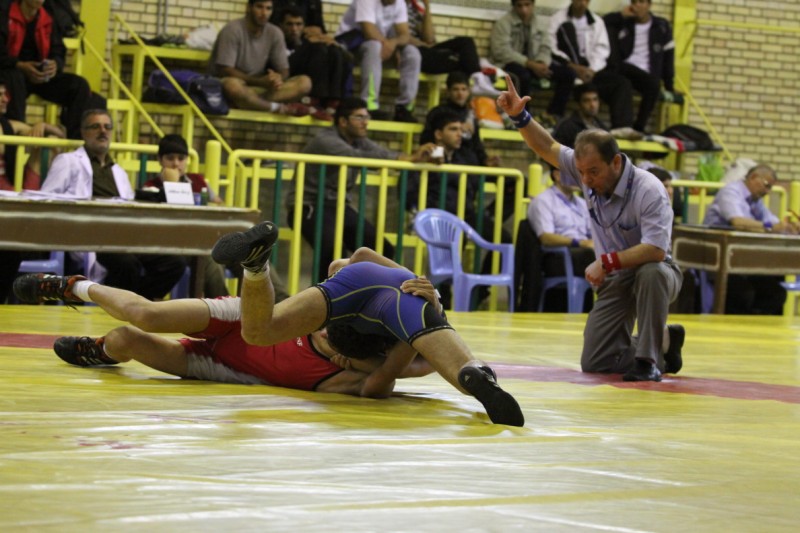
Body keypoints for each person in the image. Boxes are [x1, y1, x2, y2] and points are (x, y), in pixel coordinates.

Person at [209, 221, 525, 425]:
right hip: (408, 298)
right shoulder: (405, 355)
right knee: (461, 369)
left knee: (259, 331)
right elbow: (380, 383)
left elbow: (355, 257)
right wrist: (433, 305)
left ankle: (256, 265)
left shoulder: (403, 358)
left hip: (369, 282)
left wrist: (426, 294)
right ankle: (479, 376)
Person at [497, 75, 684, 382]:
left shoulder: (649, 189)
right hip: (618, 274)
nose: (585, 180)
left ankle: (648, 360)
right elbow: (548, 147)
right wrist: (520, 117)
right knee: (597, 361)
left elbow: (655, 249)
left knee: (652, 272)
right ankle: (664, 342)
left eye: (593, 172)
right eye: (581, 172)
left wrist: (606, 261)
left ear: (616, 162)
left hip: (657, 270)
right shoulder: (588, 170)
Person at [11, 268, 439, 397]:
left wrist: (426, 320)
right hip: (244, 319)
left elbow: (394, 377)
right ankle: (73, 286)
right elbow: (352, 262)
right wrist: (427, 295)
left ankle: (103, 351)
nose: (325, 334)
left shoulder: (354, 377)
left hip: (221, 364)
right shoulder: (341, 313)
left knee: (125, 339)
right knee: (147, 313)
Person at [40, 109, 187, 300]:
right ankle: (124, 305)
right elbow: (47, 200)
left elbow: (130, 206)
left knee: (174, 263)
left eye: (107, 127)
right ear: (83, 132)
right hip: (89, 235)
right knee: (126, 264)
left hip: (124, 235)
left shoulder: (119, 171)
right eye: (95, 126)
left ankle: (138, 303)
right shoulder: (67, 161)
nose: (103, 131)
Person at [285, 96, 436, 283]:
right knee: (333, 251)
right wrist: (410, 158)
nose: (365, 122)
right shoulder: (326, 139)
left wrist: (414, 157)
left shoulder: (358, 139)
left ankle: (373, 294)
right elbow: (356, 156)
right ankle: (324, 297)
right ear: (343, 121)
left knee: (382, 249)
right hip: (308, 206)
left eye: (367, 117)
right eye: (359, 117)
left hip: (338, 206)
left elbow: (383, 153)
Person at [702, 164, 799, 315]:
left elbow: (772, 221)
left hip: (740, 260)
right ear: (753, 177)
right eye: (767, 185)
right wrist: (771, 227)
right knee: (744, 293)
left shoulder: (755, 201)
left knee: (777, 293)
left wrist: (788, 228)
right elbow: (738, 222)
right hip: (716, 258)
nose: (767, 192)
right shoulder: (731, 192)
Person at [0, 0, 101, 139]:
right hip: (12, 73)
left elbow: (58, 51)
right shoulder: (5, 14)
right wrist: (20, 65)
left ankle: (76, 144)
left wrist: (55, 64)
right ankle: (15, 142)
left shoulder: (48, 17)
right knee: (14, 77)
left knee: (79, 85)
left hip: (41, 76)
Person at [209, 0, 312, 115]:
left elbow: (284, 70)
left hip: (256, 90)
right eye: (259, 7)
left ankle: (248, 102)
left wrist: (277, 78)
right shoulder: (232, 29)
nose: (264, 13)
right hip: (234, 85)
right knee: (232, 86)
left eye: (268, 8)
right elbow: (225, 70)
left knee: (304, 83)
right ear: (249, 8)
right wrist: (259, 81)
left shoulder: (275, 32)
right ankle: (276, 108)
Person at [548, 0, 636, 133]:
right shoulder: (557, 19)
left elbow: (602, 49)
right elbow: (551, 48)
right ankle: (553, 120)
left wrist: (591, 70)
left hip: (591, 71)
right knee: (566, 77)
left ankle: (621, 128)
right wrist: (574, 67)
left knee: (622, 83)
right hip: (567, 68)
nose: (582, 3)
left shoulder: (597, 21)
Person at [489, 0, 575, 127]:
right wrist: (529, 64)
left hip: (535, 64)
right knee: (522, 76)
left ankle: (552, 114)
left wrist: (541, 62)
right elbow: (501, 52)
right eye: (520, 6)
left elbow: (546, 47)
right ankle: (523, 117)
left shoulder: (540, 23)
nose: (524, 10)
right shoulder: (503, 23)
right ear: (514, 6)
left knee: (568, 74)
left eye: (527, 5)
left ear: (533, 5)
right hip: (509, 63)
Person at [334, 0, 420, 122]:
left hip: (381, 46)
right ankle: (370, 104)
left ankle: (404, 108)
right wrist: (390, 46)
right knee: (374, 46)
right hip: (351, 46)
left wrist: (394, 43)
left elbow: (405, 35)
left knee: (412, 53)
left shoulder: (399, 3)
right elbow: (369, 32)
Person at [527, 165, 594, 311]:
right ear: (557, 175)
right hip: (559, 256)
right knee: (597, 257)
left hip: (584, 253)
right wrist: (580, 243)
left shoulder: (583, 204)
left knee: (616, 253)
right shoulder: (543, 201)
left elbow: (594, 233)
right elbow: (546, 237)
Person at [603, 0, 675, 133]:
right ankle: (622, 126)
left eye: (641, 2)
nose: (637, 6)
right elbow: (602, 22)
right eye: (634, 2)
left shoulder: (661, 26)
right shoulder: (624, 23)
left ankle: (639, 127)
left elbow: (668, 57)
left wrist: (669, 85)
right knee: (623, 83)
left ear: (649, 5)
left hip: (647, 74)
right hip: (625, 68)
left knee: (654, 85)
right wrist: (621, 15)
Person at [278, 5, 350, 119]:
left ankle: (333, 102)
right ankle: (314, 100)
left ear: (304, 27)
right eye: (289, 24)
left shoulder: (305, 43)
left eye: (298, 24)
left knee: (334, 50)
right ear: (281, 26)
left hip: (307, 78)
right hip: (286, 75)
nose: (294, 29)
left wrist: (335, 45)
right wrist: (309, 45)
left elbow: (347, 57)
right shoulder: (276, 39)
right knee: (317, 48)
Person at [405, 0, 492, 93]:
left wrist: (427, 6)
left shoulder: (414, 9)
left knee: (466, 43)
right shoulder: (397, 6)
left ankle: (478, 79)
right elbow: (401, 36)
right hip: (411, 53)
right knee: (465, 61)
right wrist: (423, 44)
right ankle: (478, 81)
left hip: (425, 50)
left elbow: (429, 39)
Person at [552, 83, 607, 149]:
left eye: (595, 99)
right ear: (579, 104)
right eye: (587, 101)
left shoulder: (602, 127)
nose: (592, 105)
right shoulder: (567, 126)